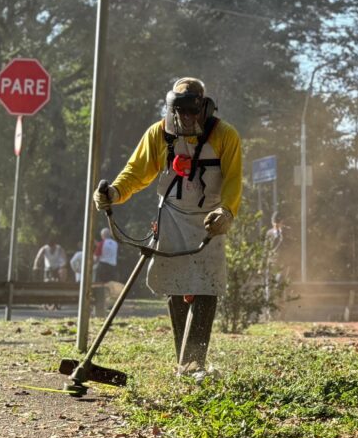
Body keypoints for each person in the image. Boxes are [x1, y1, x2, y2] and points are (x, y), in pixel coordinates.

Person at [94, 77, 241, 377]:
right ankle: (184, 364)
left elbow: (233, 181)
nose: (186, 118)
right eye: (181, 112)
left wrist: (226, 211)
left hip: (209, 220)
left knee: (206, 287)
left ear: (204, 108)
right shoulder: (158, 135)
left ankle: (194, 361)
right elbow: (136, 172)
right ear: (172, 109)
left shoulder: (225, 136)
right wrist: (114, 193)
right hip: (171, 216)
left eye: (192, 112)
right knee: (175, 284)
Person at [264, 212, 286, 301]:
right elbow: (267, 248)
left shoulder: (285, 234)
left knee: (280, 283)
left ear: (282, 222)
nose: (276, 225)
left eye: (278, 223)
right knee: (268, 285)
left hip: (281, 263)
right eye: (275, 223)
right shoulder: (269, 233)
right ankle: (269, 308)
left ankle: (280, 304)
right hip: (271, 262)